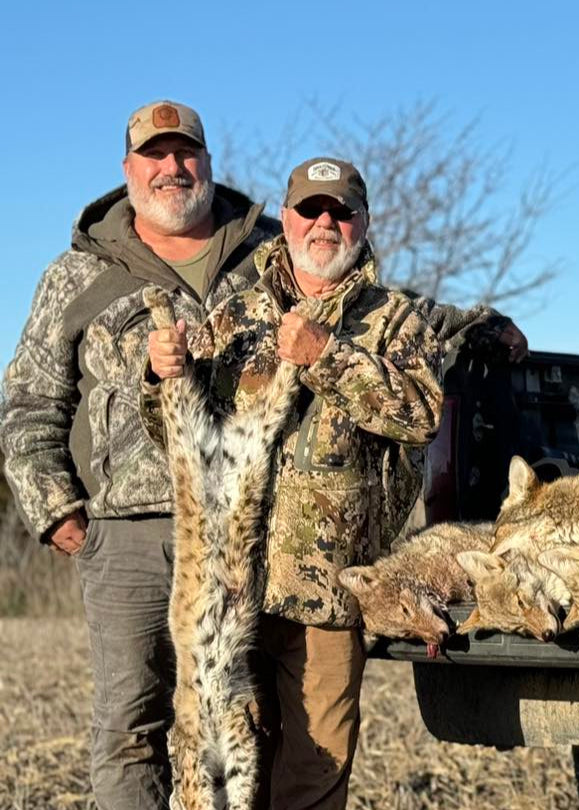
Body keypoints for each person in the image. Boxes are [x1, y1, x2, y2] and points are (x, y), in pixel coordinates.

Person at [0, 100, 280, 809]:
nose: (172, 168)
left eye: (185, 153)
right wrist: (58, 510)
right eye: (154, 155)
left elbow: (355, 311)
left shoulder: (271, 256)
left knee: (254, 724)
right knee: (131, 727)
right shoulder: (74, 275)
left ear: (209, 163)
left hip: (255, 531)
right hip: (130, 536)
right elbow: (30, 402)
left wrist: (467, 325)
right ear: (129, 169)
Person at [146, 157, 442, 807]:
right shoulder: (234, 315)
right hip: (231, 590)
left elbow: (421, 416)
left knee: (314, 768)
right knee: (232, 768)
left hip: (329, 596)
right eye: (312, 209)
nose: (325, 223)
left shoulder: (396, 321)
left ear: (363, 224)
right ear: (286, 220)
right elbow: (180, 437)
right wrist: (162, 377)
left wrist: (327, 355)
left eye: (341, 211)